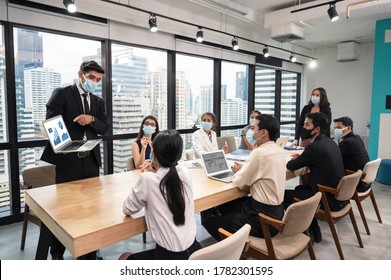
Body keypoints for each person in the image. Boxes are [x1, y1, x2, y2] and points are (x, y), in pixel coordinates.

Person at [40, 60, 109, 260]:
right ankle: (57, 253)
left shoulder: (98, 102)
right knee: (64, 211)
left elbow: (105, 128)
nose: (94, 82)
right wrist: (63, 145)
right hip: (68, 161)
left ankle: (88, 252)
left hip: (91, 161)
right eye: (91, 78)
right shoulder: (62, 94)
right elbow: (52, 123)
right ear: (80, 74)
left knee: (90, 210)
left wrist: (92, 120)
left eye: (98, 80)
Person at [119, 129, 202, 260]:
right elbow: (168, 176)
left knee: (124, 257)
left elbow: (127, 209)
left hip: (168, 258)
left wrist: (150, 173)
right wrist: (156, 168)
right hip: (195, 251)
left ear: (153, 154)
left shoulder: (147, 180)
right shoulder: (185, 173)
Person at [204, 114, 287, 240]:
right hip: (277, 212)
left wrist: (240, 172)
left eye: (253, 128)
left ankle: (236, 250)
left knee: (210, 223)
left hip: (262, 220)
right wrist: (246, 168)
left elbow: (239, 182)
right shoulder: (279, 150)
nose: (249, 131)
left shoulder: (259, 153)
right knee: (226, 205)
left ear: (263, 132)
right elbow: (265, 171)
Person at [284, 112, 346, 243]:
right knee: (300, 187)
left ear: (316, 129)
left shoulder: (314, 147)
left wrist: (300, 158)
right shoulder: (330, 142)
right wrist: (303, 157)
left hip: (327, 199)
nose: (303, 127)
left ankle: (294, 233)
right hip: (339, 196)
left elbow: (290, 165)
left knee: (282, 196)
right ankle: (314, 230)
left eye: (306, 125)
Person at [334, 116, 370, 192]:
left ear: (348, 128)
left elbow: (333, 158)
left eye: (339, 128)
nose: (336, 130)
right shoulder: (357, 138)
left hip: (357, 184)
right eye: (335, 128)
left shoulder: (346, 143)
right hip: (366, 182)